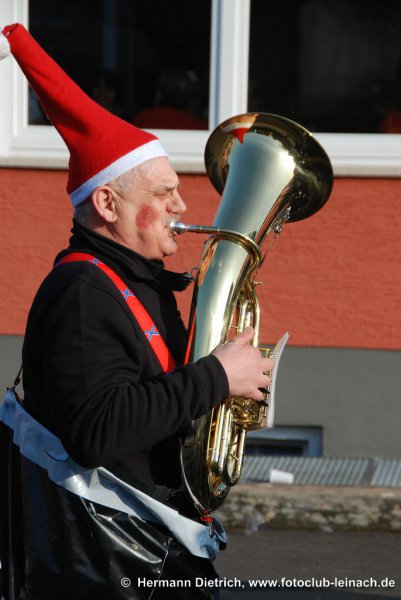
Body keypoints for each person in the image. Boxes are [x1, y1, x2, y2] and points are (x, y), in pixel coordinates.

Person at [0, 24, 274, 600]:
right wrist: (216, 375)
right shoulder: (82, 292)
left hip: (150, 545)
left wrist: (231, 387)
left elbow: (158, 397)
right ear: (107, 203)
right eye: (162, 193)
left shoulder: (137, 279)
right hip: (114, 565)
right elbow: (98, 432)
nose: (182, 205)